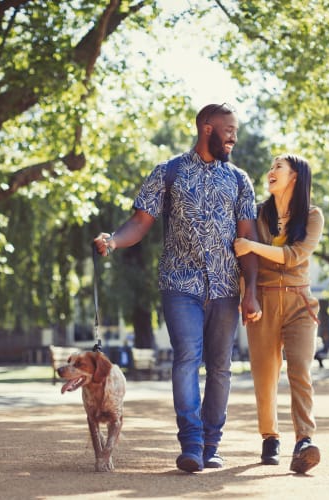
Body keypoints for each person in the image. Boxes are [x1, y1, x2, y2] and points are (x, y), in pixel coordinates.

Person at [94, 103, 261, 473]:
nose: (233, 137)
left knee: (220, 366)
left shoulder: (238, 180)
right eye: (228, 129)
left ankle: (212, 445)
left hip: (224, 286)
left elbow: (248, 239)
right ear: (206, 128)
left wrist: (251, 291)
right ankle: (192, 444)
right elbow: (140, 223)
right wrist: (114, 242)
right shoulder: (168, 172)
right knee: (187, 358)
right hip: (179, 282)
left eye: (235, 131)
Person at [234, 153, 324, 474]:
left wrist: (252, 245)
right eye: (270, 166)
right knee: (265, 373)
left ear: (295, 176)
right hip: (264, 301)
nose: (270, 171)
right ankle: (270, 436)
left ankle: (304, 440)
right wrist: (249, 297)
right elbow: (247, 265)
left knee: (300, 370)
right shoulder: (257, 215)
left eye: (278, 168)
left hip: (300, 303)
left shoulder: (313, 216)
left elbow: (295, 255)